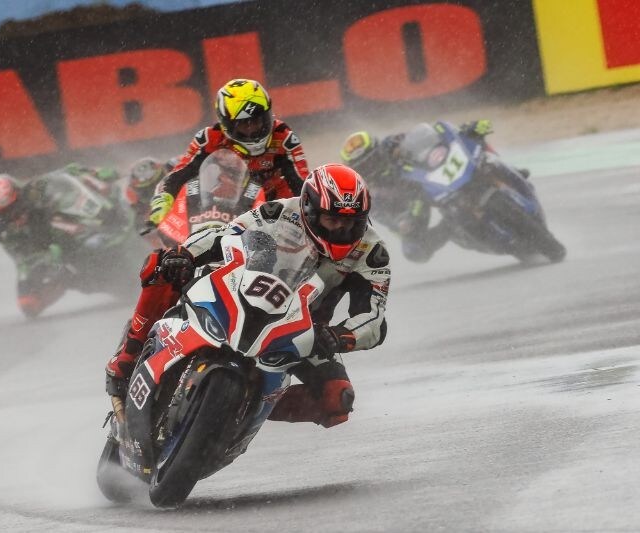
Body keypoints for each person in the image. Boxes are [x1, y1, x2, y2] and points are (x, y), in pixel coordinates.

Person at [106, 163, 390, 428]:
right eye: (332, 220)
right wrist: (185, 253)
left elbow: (373, 318)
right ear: (310, 210)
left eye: (351, 223)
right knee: (161, 265)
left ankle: (246, 409)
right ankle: (128, 356)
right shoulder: (279, 213)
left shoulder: (371, 251)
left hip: (302, 332)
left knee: (337, 400)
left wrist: (340, 336)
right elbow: (226, 233)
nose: (342, 229)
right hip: (242, 295)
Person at [339, 119, 515, 262]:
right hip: (414, 204)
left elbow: (426, 138)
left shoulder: (391, 144)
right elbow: (391, 221)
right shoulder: (367, 196)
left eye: (373, 158)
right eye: (365, 165)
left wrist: (458, 133)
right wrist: (404, 222)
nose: (372, 166)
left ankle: (503, 169)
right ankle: (452, 226)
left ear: (378, 149)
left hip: (428, 174)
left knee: (473, 134)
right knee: (414, 250)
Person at [145, 78, 310, 228]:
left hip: (274, 207)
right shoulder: (208, 138)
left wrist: (305, 213)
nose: (252, 130)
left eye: (257, 121)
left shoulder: (285, 138)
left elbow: (301, 183)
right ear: (226, 124)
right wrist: (163, 201)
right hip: (226, 209)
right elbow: (177, 175)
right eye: (244, 125)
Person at [0, 163, 121, 314]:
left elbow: (68, 171)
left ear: (18, 192)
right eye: (4, 211)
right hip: (53, 251)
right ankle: (93, 277)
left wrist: (96, 172)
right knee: (27, 304)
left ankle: (109, 220)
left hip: (77, 217)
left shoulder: (35, 188)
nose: (11, 214)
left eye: (13, 206)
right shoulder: (3, 230)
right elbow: (22, 259)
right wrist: (52, 265)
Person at [124, 156, 176, 232]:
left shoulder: (175, 165)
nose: (157, 189)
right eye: (147, 190)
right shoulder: (144, 217)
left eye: (159, 180)